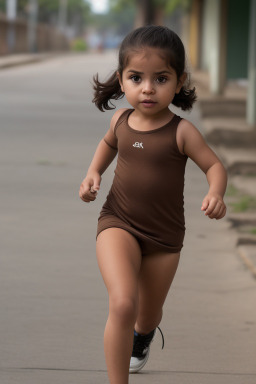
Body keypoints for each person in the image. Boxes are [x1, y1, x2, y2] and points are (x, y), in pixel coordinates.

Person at [79, 25, 227, 384]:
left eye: (161, 78)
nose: (148, 88)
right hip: (118, 222)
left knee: (147, 315)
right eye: (136, 78)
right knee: (123, 303)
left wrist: (216, 192)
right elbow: (107, 145)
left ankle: (143, 335)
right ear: (122, 80)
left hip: (164, 238)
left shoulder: (182, 132)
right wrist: (93, 173)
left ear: (179, 82)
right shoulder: (121, 120)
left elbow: (214, 165)